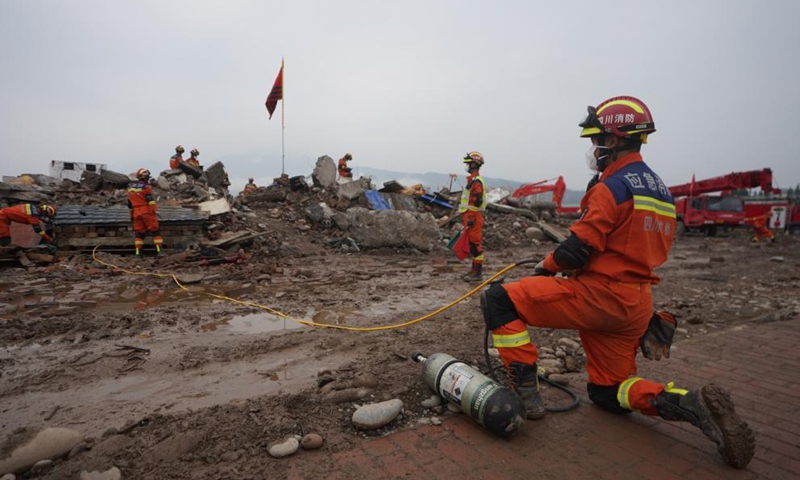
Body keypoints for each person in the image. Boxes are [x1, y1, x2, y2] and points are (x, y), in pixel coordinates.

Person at [480, 96, 754, 469]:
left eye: (596, 140)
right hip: (636, 306)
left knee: (498, 299)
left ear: (612, 140)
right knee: (609, 392)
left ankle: (526, 393)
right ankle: (690, 404)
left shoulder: (613, 187)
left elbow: (579, 247)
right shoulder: (660, 191)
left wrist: (545, 268)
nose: (592, 150)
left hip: (598, 297)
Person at [459, 151, 486, 282]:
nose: (467, 166)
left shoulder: (477, 182)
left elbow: (477, 201)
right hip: (470, 216)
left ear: (475, 164)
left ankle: (477, 273)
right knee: (471, 245)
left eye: (469, 164)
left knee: (475, 245)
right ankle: (473, 270)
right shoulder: (473, 180)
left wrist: (470, 218)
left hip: (474, 216)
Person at [127, 168, 162, 257]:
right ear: (144, 177)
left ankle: (138, 253)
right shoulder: (146, 187)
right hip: (146, 211)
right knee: (155, 231)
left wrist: (132, 215)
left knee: (139, 234)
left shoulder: (131, 189)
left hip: (136, 212)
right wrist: (154, 211)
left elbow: (130, 204)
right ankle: (159, 251)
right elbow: (150, 200)